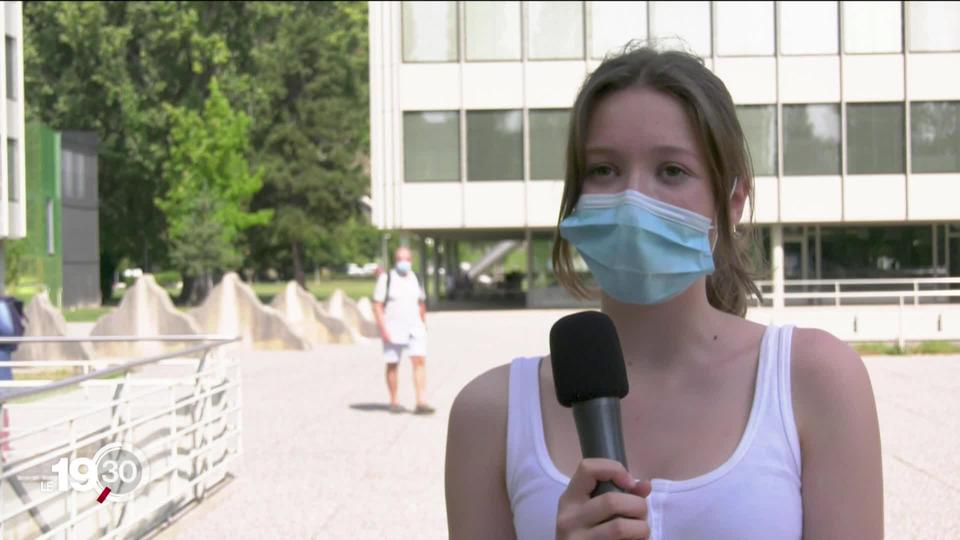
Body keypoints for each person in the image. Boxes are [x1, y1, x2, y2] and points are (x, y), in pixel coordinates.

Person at [445, 45, 883, 539]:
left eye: (672, 171)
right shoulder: (489, 415)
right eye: (604, 170)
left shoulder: (815, 380)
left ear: (732, 201)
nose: (635, 198)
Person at [372, 246, 435, 415]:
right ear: (395, 260)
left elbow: (421, 303)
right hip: (393, 328)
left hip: (415, 328)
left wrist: (423, 323)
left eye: (406, 259)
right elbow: (377, 305)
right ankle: (394, 400)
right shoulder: (386, 279)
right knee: (393, 364)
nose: (403, 262)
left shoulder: (416, 278)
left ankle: (421, 401)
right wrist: (383, 329)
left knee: (419, 361)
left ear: (411, 261)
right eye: (400, 259)